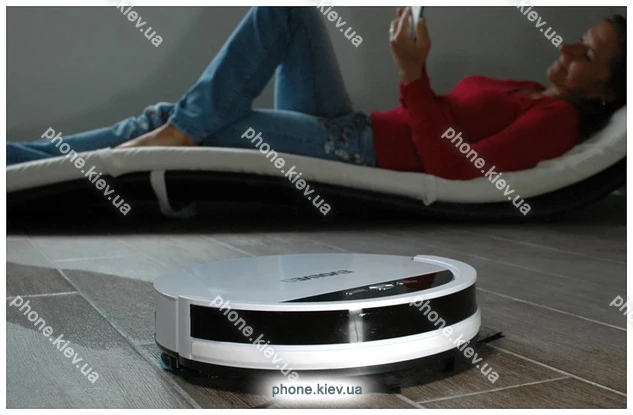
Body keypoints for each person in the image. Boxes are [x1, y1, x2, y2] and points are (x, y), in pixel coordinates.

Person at [7, 7, 626, 181]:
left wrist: (412, 76)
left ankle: (173, 131)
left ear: (608, 91)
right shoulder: (528, 88)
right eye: (581, 38)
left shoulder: (556, 121)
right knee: (287, 10)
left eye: (590, 55)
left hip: (357, 151)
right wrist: (414, 75)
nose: (570, 47)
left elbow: (453, 170)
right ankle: (178, 130)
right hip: (349, 126)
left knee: (178, 119)